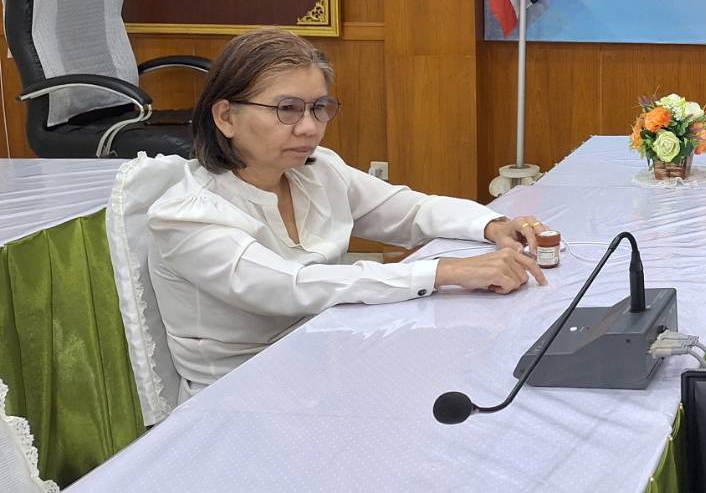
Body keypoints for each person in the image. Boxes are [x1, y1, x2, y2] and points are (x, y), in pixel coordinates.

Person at [148, 29, 552, 395]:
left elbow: (411, 211)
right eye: (287, 109)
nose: (310, 128)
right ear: (225, 117)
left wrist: (492, 225)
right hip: (240, 395)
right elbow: (292, 285)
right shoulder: (188, 214)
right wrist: (442, 272)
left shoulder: (318, 170)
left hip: (329, 357)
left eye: (319, 108)